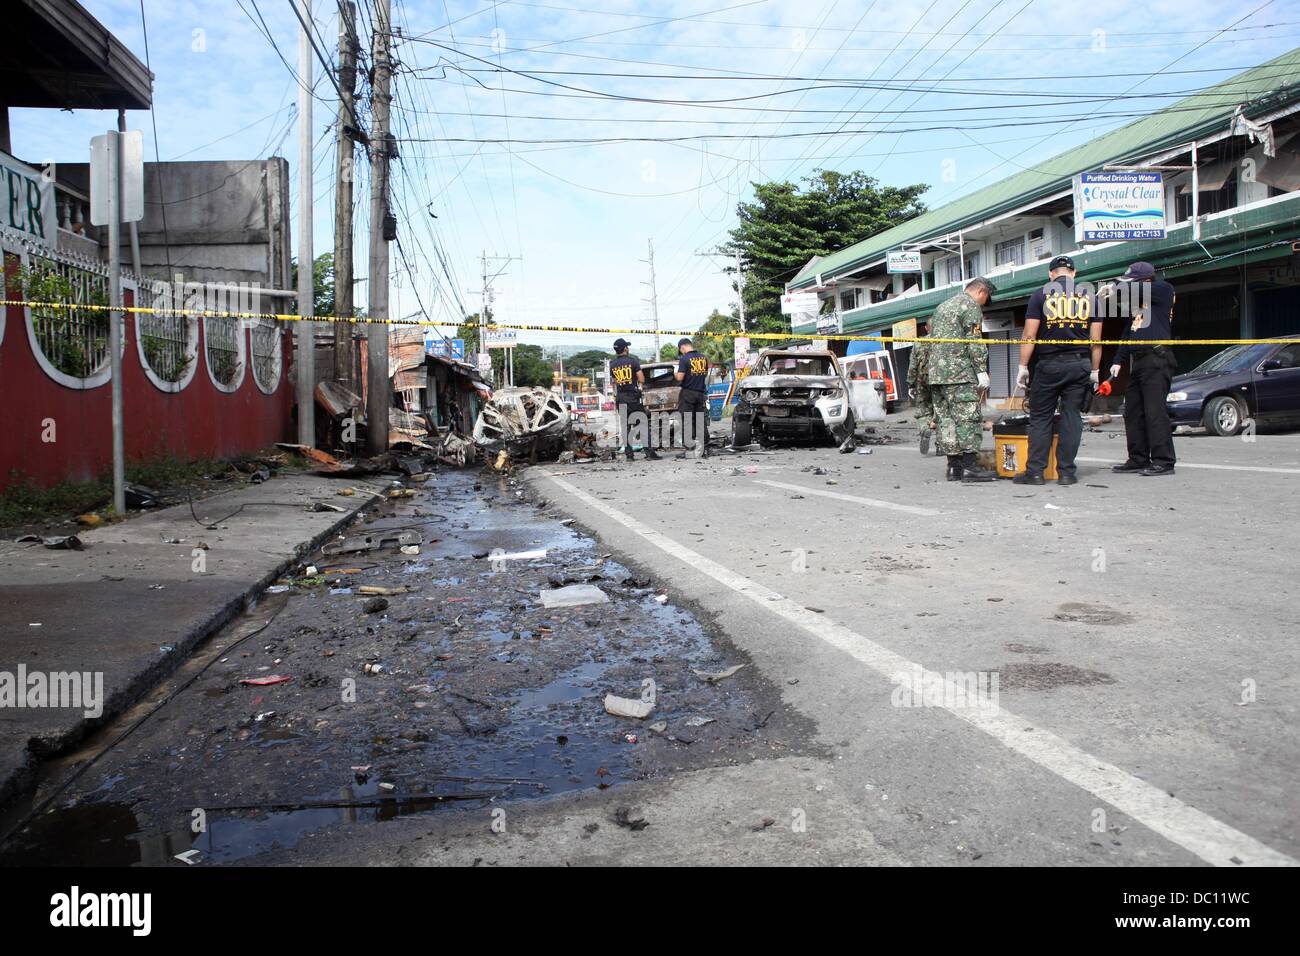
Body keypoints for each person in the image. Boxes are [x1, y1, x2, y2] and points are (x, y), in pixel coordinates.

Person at [1013, 255, 1102, 486]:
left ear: (1051, 274)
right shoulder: (1091, 296)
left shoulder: (1040, 294)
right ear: (1074, 273)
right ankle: (1067, 473)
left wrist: (1023, 366)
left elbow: (1030, 335)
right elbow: (1096, 340)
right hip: (1080, 363)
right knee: (1072, 417)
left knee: (1041, 417)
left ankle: (1035, 473)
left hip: (1050, 364)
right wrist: (1095, 370)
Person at [1108, 261, 1178, 476]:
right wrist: (1118, 360)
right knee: (1133, 412)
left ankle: (1163, 461)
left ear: (1145, 280)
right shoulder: (1139, 305)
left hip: (1157, 359)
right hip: (1138, 362)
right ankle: (1138, 458)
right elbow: (1129, 334)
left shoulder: (1163, 290)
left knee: (1154, 412)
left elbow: (1130, 289)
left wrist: (1117, 286)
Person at [927, 278, 998, 481]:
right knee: (968, 418)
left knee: (946, 420)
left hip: (937, 375)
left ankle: (953, 467)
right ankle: (969, 467)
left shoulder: (942, 307)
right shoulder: (970, 306)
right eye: (986, 299)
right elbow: (974, 340)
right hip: (959, 374)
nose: (984, 303)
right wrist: (981, 370)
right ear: (982, 292)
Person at [609, 338, 660, 461]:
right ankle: (649, 453)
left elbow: (615, 381)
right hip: (632, 398)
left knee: (625, 427)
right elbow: (642, 379)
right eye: (627, 346)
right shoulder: (633, 362)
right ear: (625, 348)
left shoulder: (612, 365)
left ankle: (629, 455)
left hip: (621, 399)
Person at [674, 337, 710, 458]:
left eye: (681, 350)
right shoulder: (703, 358)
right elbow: (704, 374)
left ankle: (690, 450)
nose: (682, 352)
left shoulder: (684, 359)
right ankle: (703, 449)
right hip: (700, 393)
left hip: (688, 393)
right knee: (700, 420)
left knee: (687, 421)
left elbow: (679, 378)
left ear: (682, 347)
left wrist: (675, 373)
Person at [906, 325, 936, 455]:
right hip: (941, 382)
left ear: (926, 328)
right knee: (942, 411)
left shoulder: (919, 343)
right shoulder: (944, 341)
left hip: (922, 382)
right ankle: (941, 444)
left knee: (923, 410)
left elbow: (912, 366)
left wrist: (911, 384)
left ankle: (924, 429)